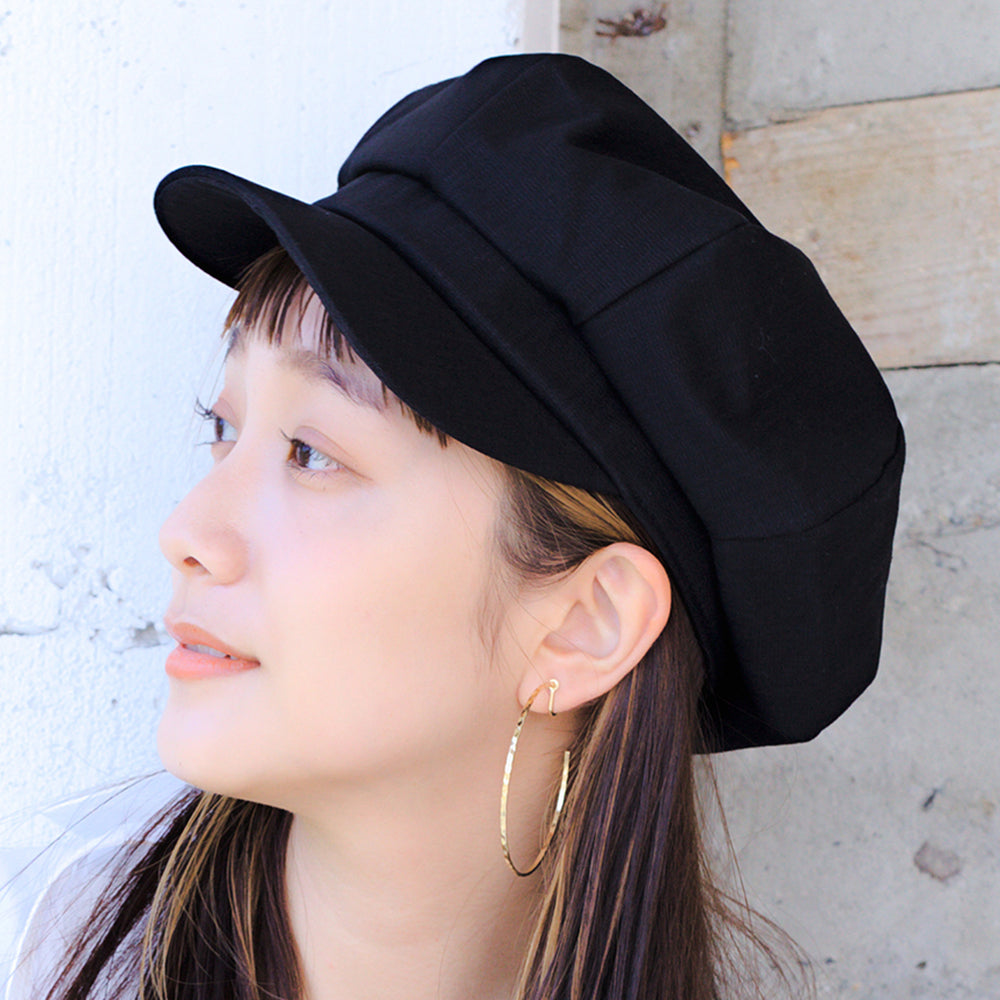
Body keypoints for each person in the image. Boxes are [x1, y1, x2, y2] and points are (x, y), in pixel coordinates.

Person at [8, 53, 904, 1000]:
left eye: (311, 452)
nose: (187, 530)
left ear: (586, 622)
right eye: (223, 428)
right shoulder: (34, 947)